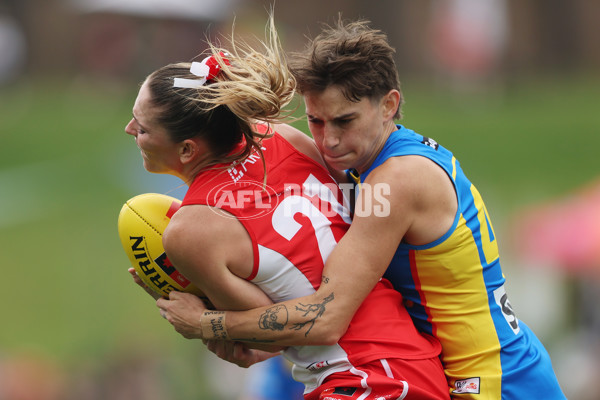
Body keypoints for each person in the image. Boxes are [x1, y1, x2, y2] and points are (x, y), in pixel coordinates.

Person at [159, 17, 567, 400]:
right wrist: (265, 344)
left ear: (389, 104)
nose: (329, 140)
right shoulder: (370, 167)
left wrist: (207, 324)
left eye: (345, 121)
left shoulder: (397, 181)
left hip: (496, 379)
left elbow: (327, 317)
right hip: (469, 371)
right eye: (317, 122)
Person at [125, 15, 449, 400]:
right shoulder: (277, 134)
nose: (130, 129)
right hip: (413, 366)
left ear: (187, 150)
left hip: (365, 382)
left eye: (143, 127)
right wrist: (224, 327)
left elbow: (279, 335)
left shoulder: (188, 231)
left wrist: (199, 319)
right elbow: (271, 335)